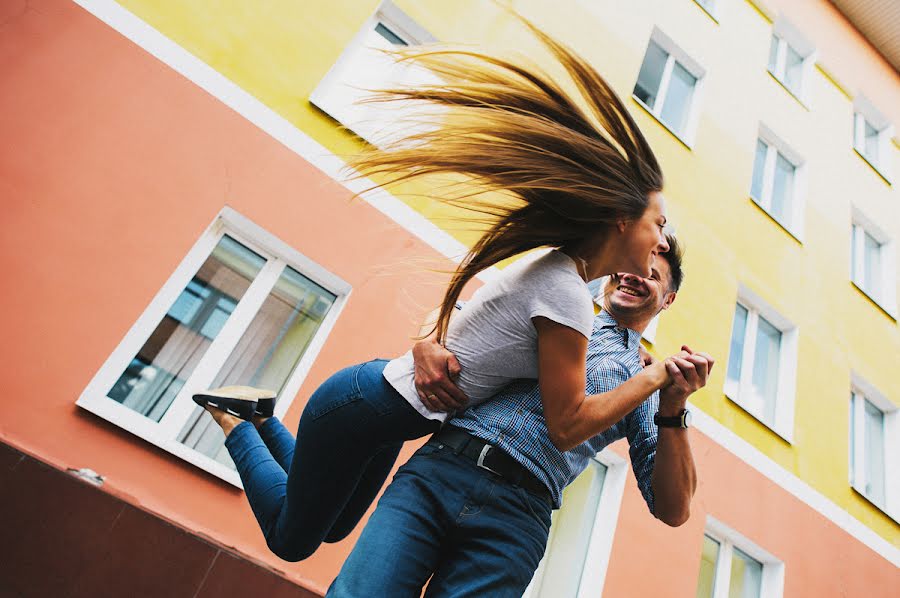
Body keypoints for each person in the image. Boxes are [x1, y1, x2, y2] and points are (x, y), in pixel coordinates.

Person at [193, 21, 695, 563]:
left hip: (390, 420)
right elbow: (567, 422)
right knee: (293, 540)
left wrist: (661, 392)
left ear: (666, 299)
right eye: (659, 224)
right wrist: (653, 375)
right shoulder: (567, 291)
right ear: (621, 222)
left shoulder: (562, 282)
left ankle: (262, 417)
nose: (661, 238)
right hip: (362, 405)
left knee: (333, 529)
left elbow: (487, 323)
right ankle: (236, 421)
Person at [327, 236, 712, 597]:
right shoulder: (555, 301)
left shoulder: (648, 382)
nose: (633, 274)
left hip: (516, 520)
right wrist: (426, 341)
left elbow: (673, 509)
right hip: (439, 473)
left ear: (668, 299)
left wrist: (674, 407)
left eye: (651, 274)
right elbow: (460, 314)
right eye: (631, 263)